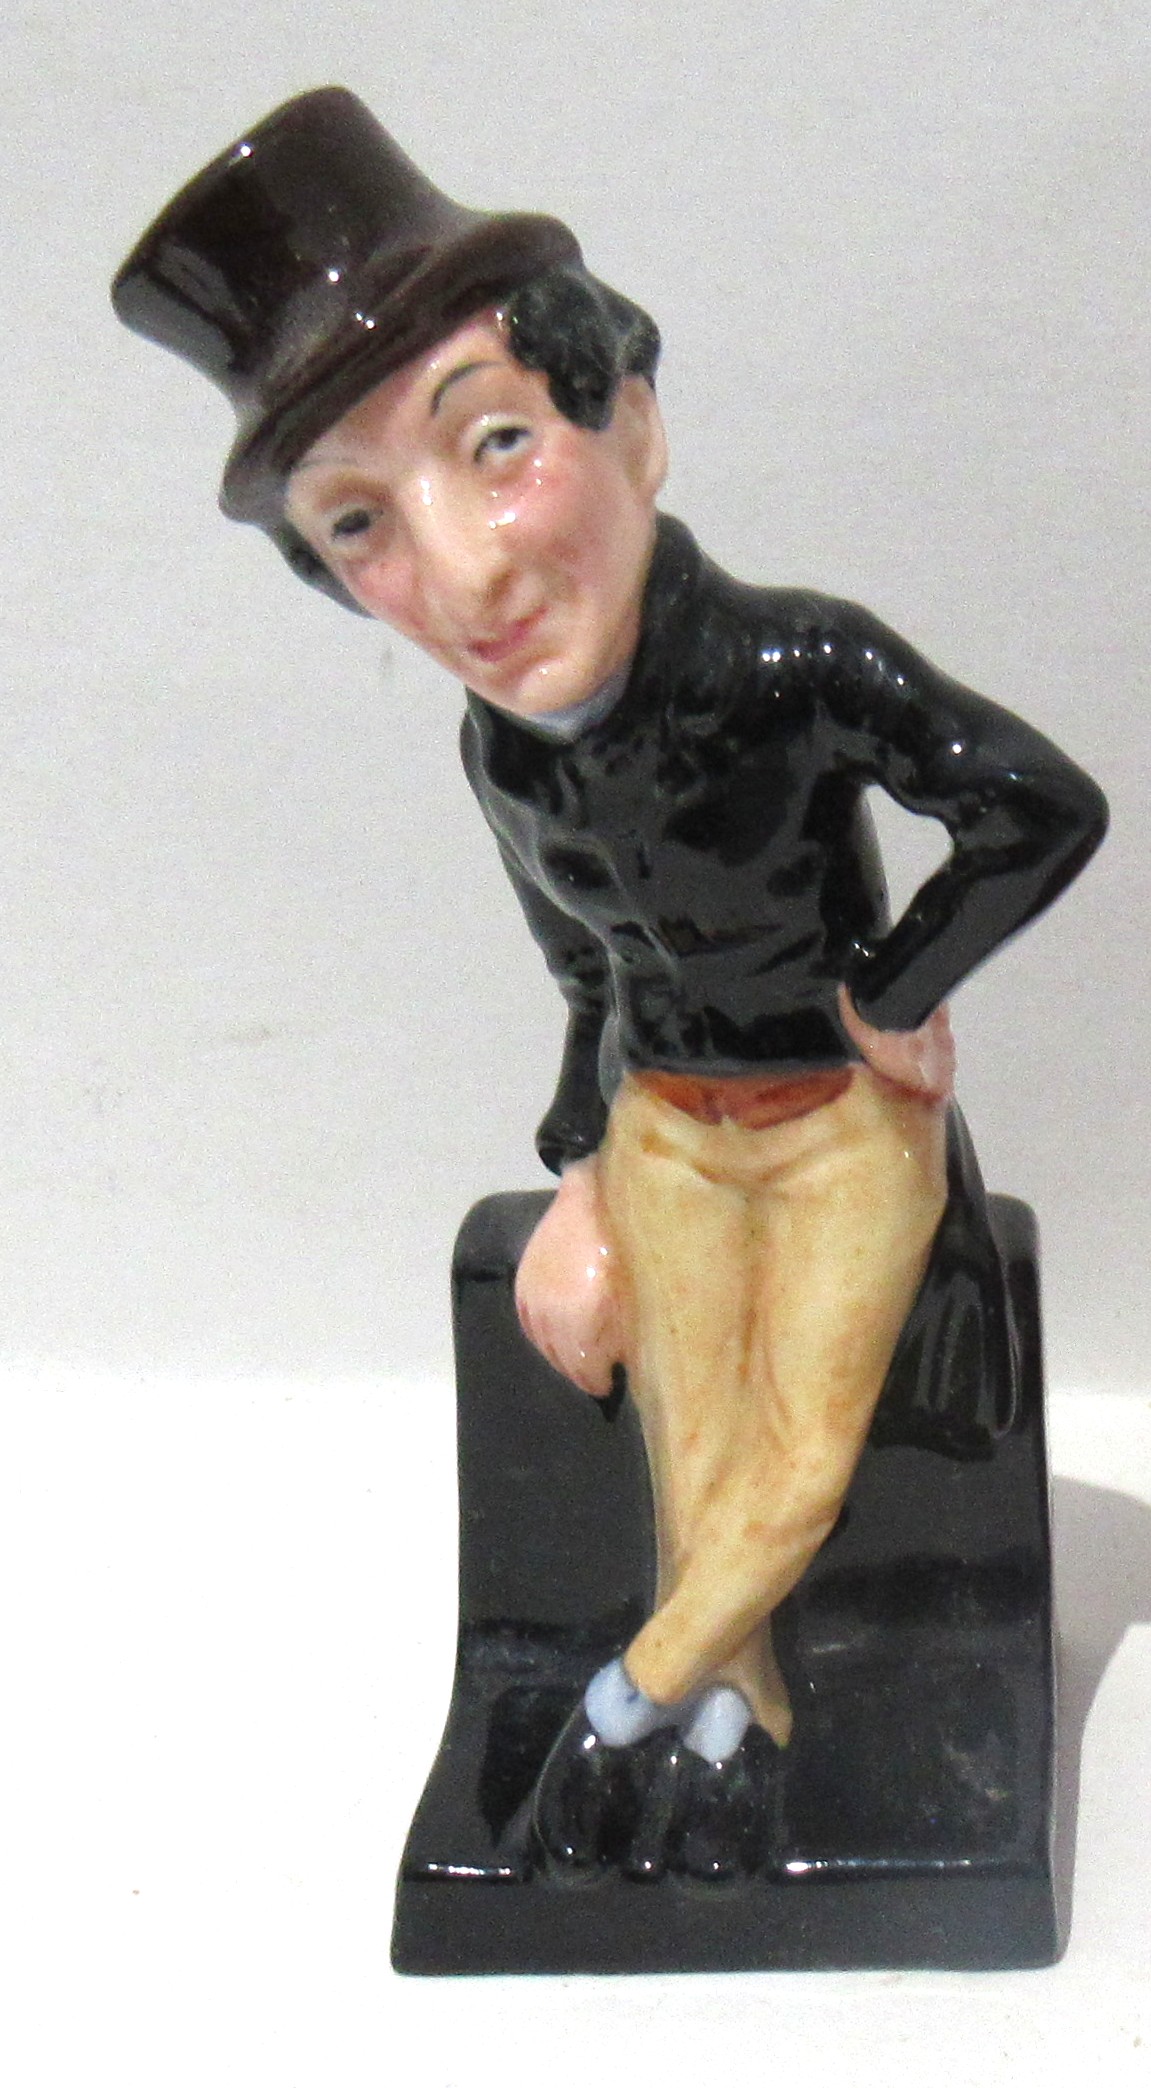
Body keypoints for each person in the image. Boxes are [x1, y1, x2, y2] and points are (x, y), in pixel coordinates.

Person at [113, 88, 1107, 1882]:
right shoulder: (502, 758)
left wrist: (900, 987)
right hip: (668, 1128)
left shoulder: (799, 662)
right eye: (362, 525)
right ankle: (739, 1724)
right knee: (690, 1465)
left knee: (798, 1457)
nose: (465, 568)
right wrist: (582, 1165)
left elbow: (1040, 804)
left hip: (835, 1121)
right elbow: (585, 966)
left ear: (630, 420)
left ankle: (629, 1701)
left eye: (494, 443)